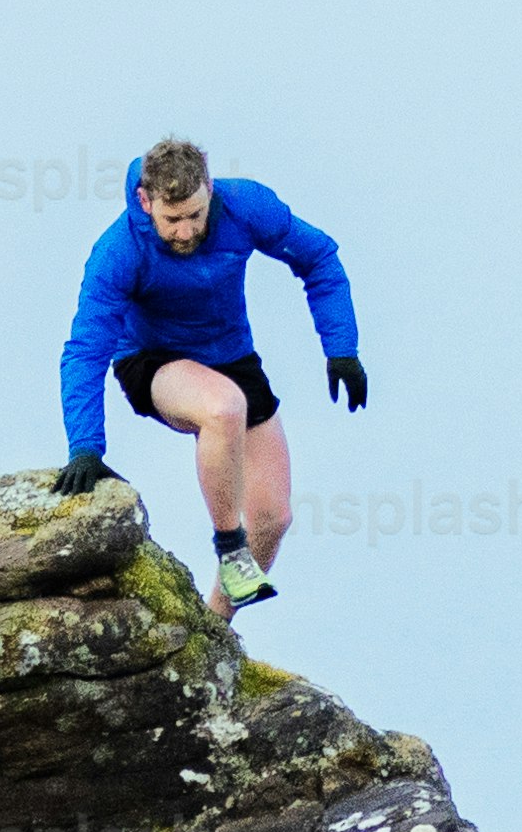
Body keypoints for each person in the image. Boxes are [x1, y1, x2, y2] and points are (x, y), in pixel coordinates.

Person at [45, 136, 362, 609]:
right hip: (154, 362)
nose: (186, 231)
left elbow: (318, 258)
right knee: (222, 406)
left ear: (209, 189)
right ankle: (230, 549)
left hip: (232, 356)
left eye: (195, 215)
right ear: (145, 201)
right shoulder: (118, 252)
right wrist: (86, 446)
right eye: (172, 220)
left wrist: (341, 349)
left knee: (273, 518)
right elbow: (85, 350)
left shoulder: (246, 205)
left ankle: (214, 626)